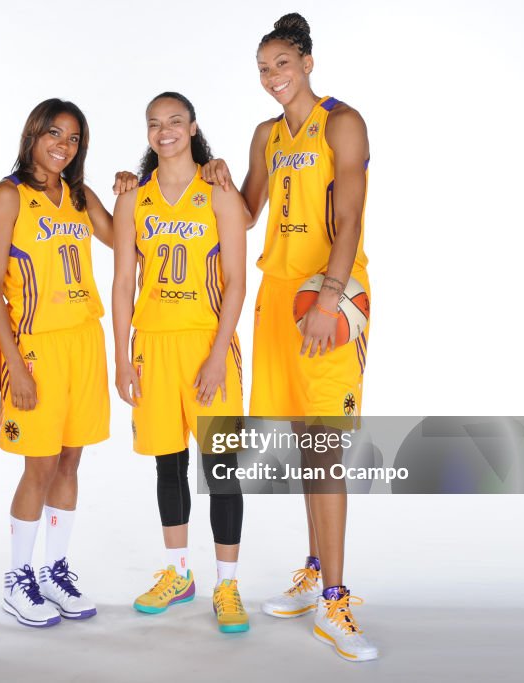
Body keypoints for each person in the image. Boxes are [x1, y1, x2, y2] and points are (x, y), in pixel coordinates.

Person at [202, 13, 377, 661]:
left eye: (282, 63)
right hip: (277, 296)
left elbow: (352, 214)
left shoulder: (342, 121)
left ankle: (336, 601)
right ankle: (313, 571)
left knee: (328, 447)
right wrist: (216, 180)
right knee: (306, 443)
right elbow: (247, 214)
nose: (273, 76)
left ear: (307, 60)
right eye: (264, 68)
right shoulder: (265, 135)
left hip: (329, 295)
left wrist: (331, 293)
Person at [111, 92, 252, 634]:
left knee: (220, 470)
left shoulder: (217, 191)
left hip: (206, 343)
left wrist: (219, 354)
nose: (164, 131)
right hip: (153, 345)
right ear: (147, 133)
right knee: (166, 464)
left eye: (174, 121)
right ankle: (178, 574)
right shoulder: (133, 199)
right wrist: (122, 357)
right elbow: (124, 283)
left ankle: (227, 583)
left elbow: (237, 281)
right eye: (154, 124)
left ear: (192, 127)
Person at [0, 99, 113, 628]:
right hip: (36, 345)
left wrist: (135, 185)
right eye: (54, 133)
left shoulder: (80, 196)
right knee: (38, 465)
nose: (63, 145)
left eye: (75, 138)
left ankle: (55, 570)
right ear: (32, 135)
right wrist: (14, 364)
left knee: (69, 462)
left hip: (85, 340)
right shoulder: (8, 196)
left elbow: (125, 234)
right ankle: (18, 579)